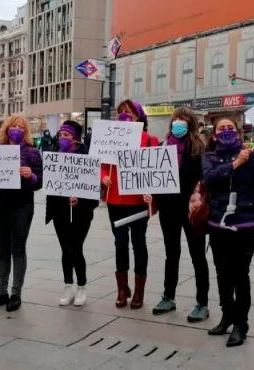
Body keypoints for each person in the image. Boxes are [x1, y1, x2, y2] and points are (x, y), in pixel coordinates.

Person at [202, 117, 254, 348]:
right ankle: (227, 315)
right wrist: (234, 164)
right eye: (221, 128)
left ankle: (241, 323)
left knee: (240, 275)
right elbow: (209, 179)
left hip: (244, 223)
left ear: (238, 131)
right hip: (217, 224)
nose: (226, 131)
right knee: (222, 274)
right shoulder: (209, 157)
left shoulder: (252, 158)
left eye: (230, 128)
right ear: (214, 135)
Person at [146, 107, 210, 322]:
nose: (178, 123)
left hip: (192, 210)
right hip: (168, 208)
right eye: (175, 120)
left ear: (190, 123)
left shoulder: (199, 147)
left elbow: (205, 177)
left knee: (197, 255)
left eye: (182, 120)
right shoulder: (163, 146)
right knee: (171, 253)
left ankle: (202, 302)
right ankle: (169, 296)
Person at [101, 99, 159, 310]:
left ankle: (139, 291)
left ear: (139, 117)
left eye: (129, 113)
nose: (125, 116)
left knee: (139, 243)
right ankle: (122, 288)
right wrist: (104, 176)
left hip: (138, 200)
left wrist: (151, 191)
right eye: (121, 113)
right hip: (115, 198)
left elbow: (155, 169)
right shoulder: (110, 138)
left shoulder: (149, 140)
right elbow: (101, 162)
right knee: (119, 243)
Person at [0, 115, 43, 313]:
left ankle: (16, 292)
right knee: (2, 248)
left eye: (20, 127)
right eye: (12, 126)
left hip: (21, 206)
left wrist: (31, 176)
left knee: (18, 249)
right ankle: (1, 291)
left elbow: (40, 181)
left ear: (24, 131)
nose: (16, 129)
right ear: (6, 129)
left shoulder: (32, 152)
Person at [46, 120, 98, 307]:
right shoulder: (55, 157)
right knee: (65, 249)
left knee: (76, 248)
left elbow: (91, 185)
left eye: (66, 135)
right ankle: (68, 285)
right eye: (60, 135)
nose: (62, 138)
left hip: (81, 211)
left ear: (75, 138)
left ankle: (82, 286)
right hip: (59, 210)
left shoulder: (86, 156)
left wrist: (80, 197)